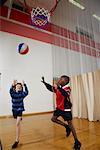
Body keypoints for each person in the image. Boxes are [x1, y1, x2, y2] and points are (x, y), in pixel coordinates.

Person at [41, 75, 81, 149]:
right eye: (59, 79)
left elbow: (66, 94)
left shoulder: (67, 88)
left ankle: (77, 142)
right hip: (59, 108)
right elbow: (51, 88)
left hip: (66, 110)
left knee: (71, 125)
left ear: (65, 81)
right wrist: (44, 83)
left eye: (61, 79)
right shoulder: (59, 88)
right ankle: (66, 127)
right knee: (53, 119)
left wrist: (58, 87)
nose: (59, 80)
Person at [10, 80, 28, 149]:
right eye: (17, 87)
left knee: (17, 124)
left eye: (20, 87)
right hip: (14, 110)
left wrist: (25, 85)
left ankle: (17, 140)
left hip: (20, 110)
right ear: (15, 88)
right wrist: (12, 84)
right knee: (16, 120)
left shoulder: (22, 94)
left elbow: (27, 92)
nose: (18, 88)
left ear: (21, 88)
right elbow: (10, 91)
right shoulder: (13, 94)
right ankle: (19, 118)